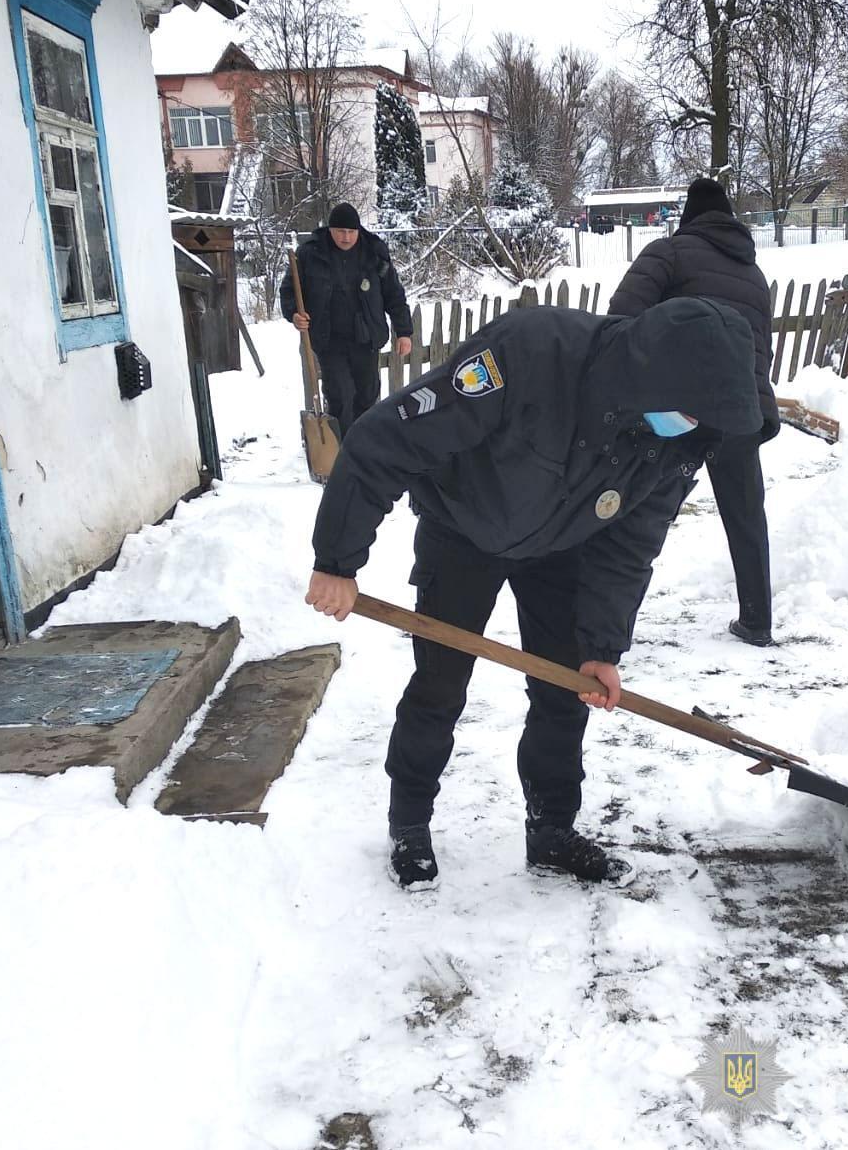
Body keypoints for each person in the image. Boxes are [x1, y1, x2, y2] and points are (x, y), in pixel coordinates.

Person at [304, 298, 760, 890]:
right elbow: (386, 440)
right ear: (653, 377)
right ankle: (410, 822)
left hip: (563, 543)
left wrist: (602, 644)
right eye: (689, 412)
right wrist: (337, 559)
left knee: (566, 690)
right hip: (463, 527)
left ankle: (552, 829)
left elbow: (629, 547)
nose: (693, 426)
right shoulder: (530, 351)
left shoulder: (672, 441)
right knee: (440, 683)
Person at [608, 177, 781, 647]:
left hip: (676, 409)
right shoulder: (754, 274)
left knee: (634, 516)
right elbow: (760, 351)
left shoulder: (669, 253)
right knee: (746, 516)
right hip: (739, 409)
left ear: (689, 216)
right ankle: (757, 620)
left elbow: (621, 320)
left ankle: (606, 635)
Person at [279, 203, 414, 435]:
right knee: (340, 395)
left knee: (367, 395)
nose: (346, 237)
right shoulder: (310, 253)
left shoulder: (373, 252)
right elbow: (289, 290)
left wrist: (403, 332)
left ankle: (364, 447)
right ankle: (341, 451)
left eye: (351, 232)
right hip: (329, 338)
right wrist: (294, 314)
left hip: (365, 338)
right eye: (341, 231)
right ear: (330, 229)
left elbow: (393, 293)